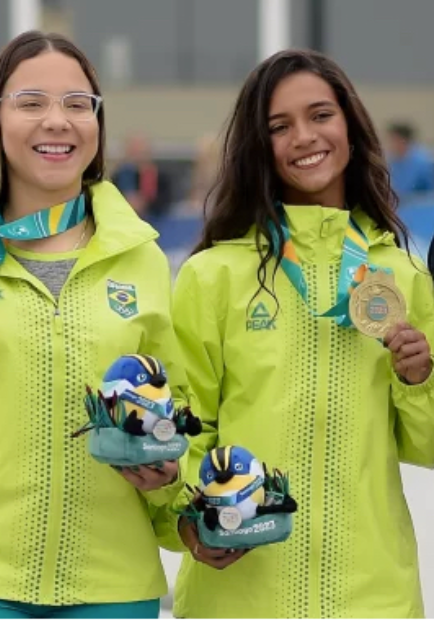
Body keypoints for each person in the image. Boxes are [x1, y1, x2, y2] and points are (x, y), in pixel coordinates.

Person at [0, 31, 189, 620]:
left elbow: (177, 414)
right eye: (31, 102)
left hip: (112, 585)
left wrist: (170, 480)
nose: (57, 121)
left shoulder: (141, 258)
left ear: (97, 123)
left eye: (77, 104)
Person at [155, 49, 434, 618]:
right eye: (279, 127)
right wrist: (194, 526)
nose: (304, 137)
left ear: (351, 128)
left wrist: (419, 379)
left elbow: (426, 447)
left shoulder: (400, 276)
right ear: (260, 148)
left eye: (320, 115)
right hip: (238, 598)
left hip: (373, 599)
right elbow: (183, 424)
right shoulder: (214, 275)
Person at [111, 133, 171, 217]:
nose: (137, 155)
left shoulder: (160, 177)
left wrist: (144, 203)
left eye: (141, 150)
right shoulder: (118, 177)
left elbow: (166, 202)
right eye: (133, 151)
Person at [386, 122, 434, 199]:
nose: (389, 144)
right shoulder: (393, 160)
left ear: (402, 140)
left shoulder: (424, 162)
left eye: (393, 140)